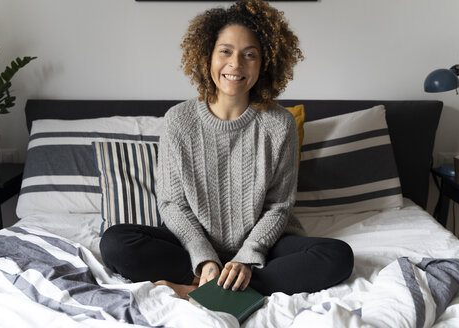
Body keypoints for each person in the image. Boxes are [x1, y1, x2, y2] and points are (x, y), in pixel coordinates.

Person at [100, 0, 354, 299]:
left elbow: (279, 206)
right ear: (207, 55)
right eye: (226, 51)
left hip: (263, 251)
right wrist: (205, 259)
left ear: (265, 63)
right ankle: (218, 285)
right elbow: (172, 204)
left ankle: (192, 292)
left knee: (338, 255)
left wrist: (247, 257)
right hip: (191, 250)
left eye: (250, 55)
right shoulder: (178, 120)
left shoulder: (280, 123)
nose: (236, 64)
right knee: (115, 242)